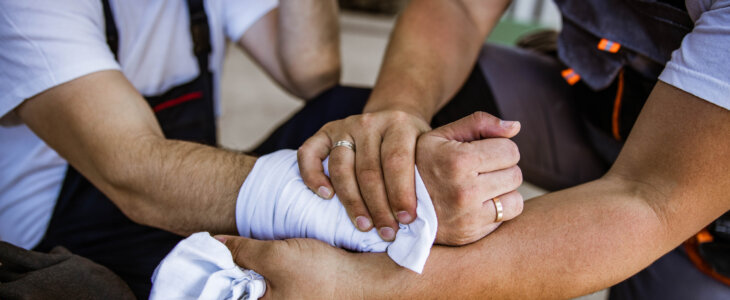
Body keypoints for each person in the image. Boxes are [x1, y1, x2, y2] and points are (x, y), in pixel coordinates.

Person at [0, 0, 522, 298]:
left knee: (350, 113)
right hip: (66, 237)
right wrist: (397, 202)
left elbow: (313, 70)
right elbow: (135, 174)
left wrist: (383, 157)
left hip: (175, 208)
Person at [221, 0, 730, 298]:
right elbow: (460, 8)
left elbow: (648, 199)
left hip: (700, 204)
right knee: (358, 124)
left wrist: (367, 285)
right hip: (597, 96)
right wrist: (395, 114)